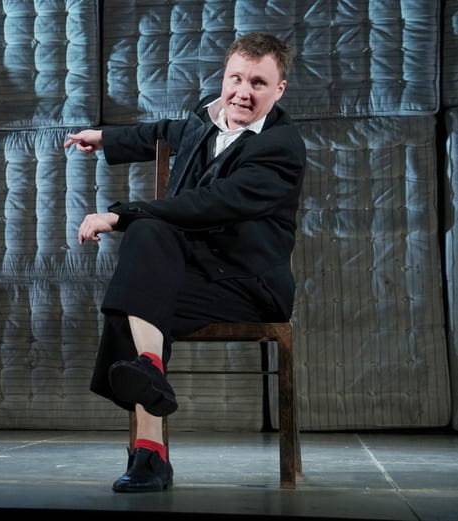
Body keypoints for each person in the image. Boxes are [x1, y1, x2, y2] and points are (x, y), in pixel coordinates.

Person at [63, 32, 306, 492]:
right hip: (195, 272)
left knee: (134, 294)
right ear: (224, 78)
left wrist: (120, 216)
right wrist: (105, 138)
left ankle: (149, 453)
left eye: (258, 83)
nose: (243, 92)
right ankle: (150, 373)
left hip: (246, 284)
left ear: (279, 90)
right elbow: (165, 133)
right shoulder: (207, 118)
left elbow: (212, 203)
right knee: (141, 271)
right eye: (236, 79)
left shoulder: (280, 147)